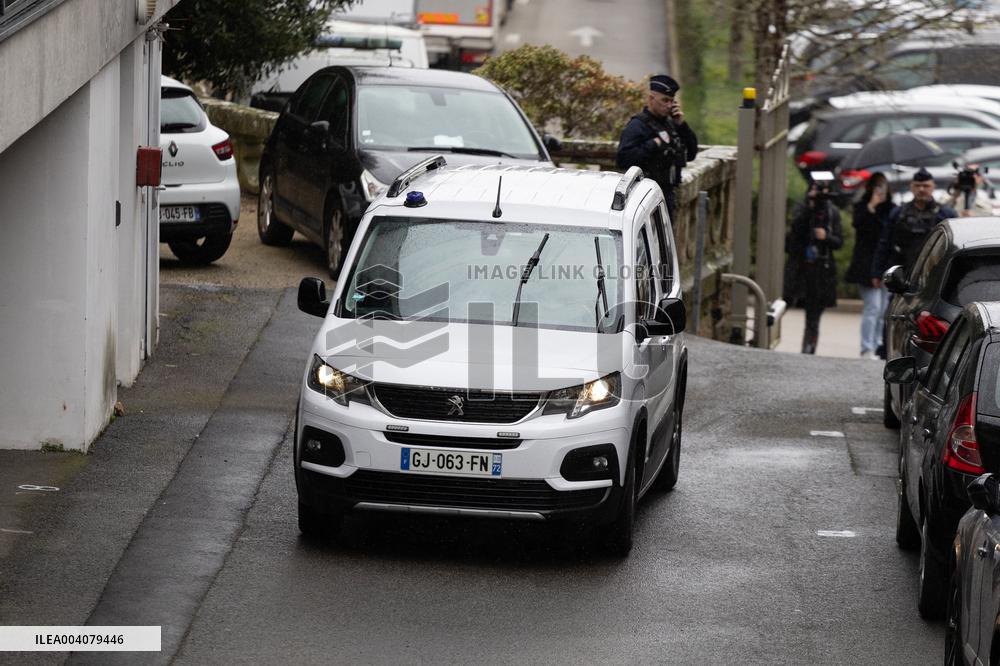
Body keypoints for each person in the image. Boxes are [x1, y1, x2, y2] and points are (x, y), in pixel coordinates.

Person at [616, 74, 699, 222]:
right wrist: (653, 144)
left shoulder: (672, 124)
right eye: (664, 100)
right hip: (643, 197)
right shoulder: (637, 126)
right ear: (651, 99)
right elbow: (623, 159)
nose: (668, 105)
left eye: (671, 101)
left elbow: (691, 154)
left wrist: (682, 125)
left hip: (667, 195)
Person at [786, 180, 843, 354]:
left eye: (823, 191)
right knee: (786, 304)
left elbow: (838, 242)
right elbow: (795, 231)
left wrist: (826, 237)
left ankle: (809, 348)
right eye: (816, 190)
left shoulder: (832, 212)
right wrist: (809, 208)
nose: (819, 196)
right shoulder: (802, 208)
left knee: (814, 315)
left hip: (821, 271)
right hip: (800, 269)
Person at [872, 167, 957, 279]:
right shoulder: (899, 213)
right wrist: (877, 273)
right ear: (911, 187)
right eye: (917, 185)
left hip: (935, 273)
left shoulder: (946, 214)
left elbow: (955, 247)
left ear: (933, 187)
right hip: (903, 271)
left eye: (926, 186)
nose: (921, 189)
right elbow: (885, 243)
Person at [845, 173, 895, 359]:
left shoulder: (891, 210)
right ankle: (867, 347)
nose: (880, 192)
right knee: (872, 307)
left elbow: (889, 234)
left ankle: (878, 344)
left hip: (885, 265)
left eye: (883, 187)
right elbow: (859, 226)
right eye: (877, 187)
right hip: (865, 266)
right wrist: (871, 207)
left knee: (884, 310)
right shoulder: (862, 207)